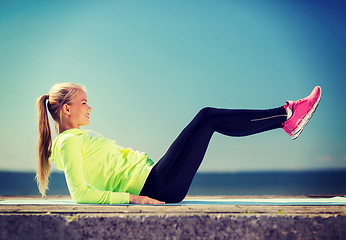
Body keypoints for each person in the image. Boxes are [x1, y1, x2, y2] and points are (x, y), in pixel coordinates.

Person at [36, 83, 322, 205]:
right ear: (66, 109)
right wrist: (134, 199)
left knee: (208, 119)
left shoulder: (75, 139)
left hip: (157, 178)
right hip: (156, 186)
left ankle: (287, 118)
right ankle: (287, 115)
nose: (89, 108)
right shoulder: (67, 143)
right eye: (83, 102)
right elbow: (80, 194)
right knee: (207, 117)